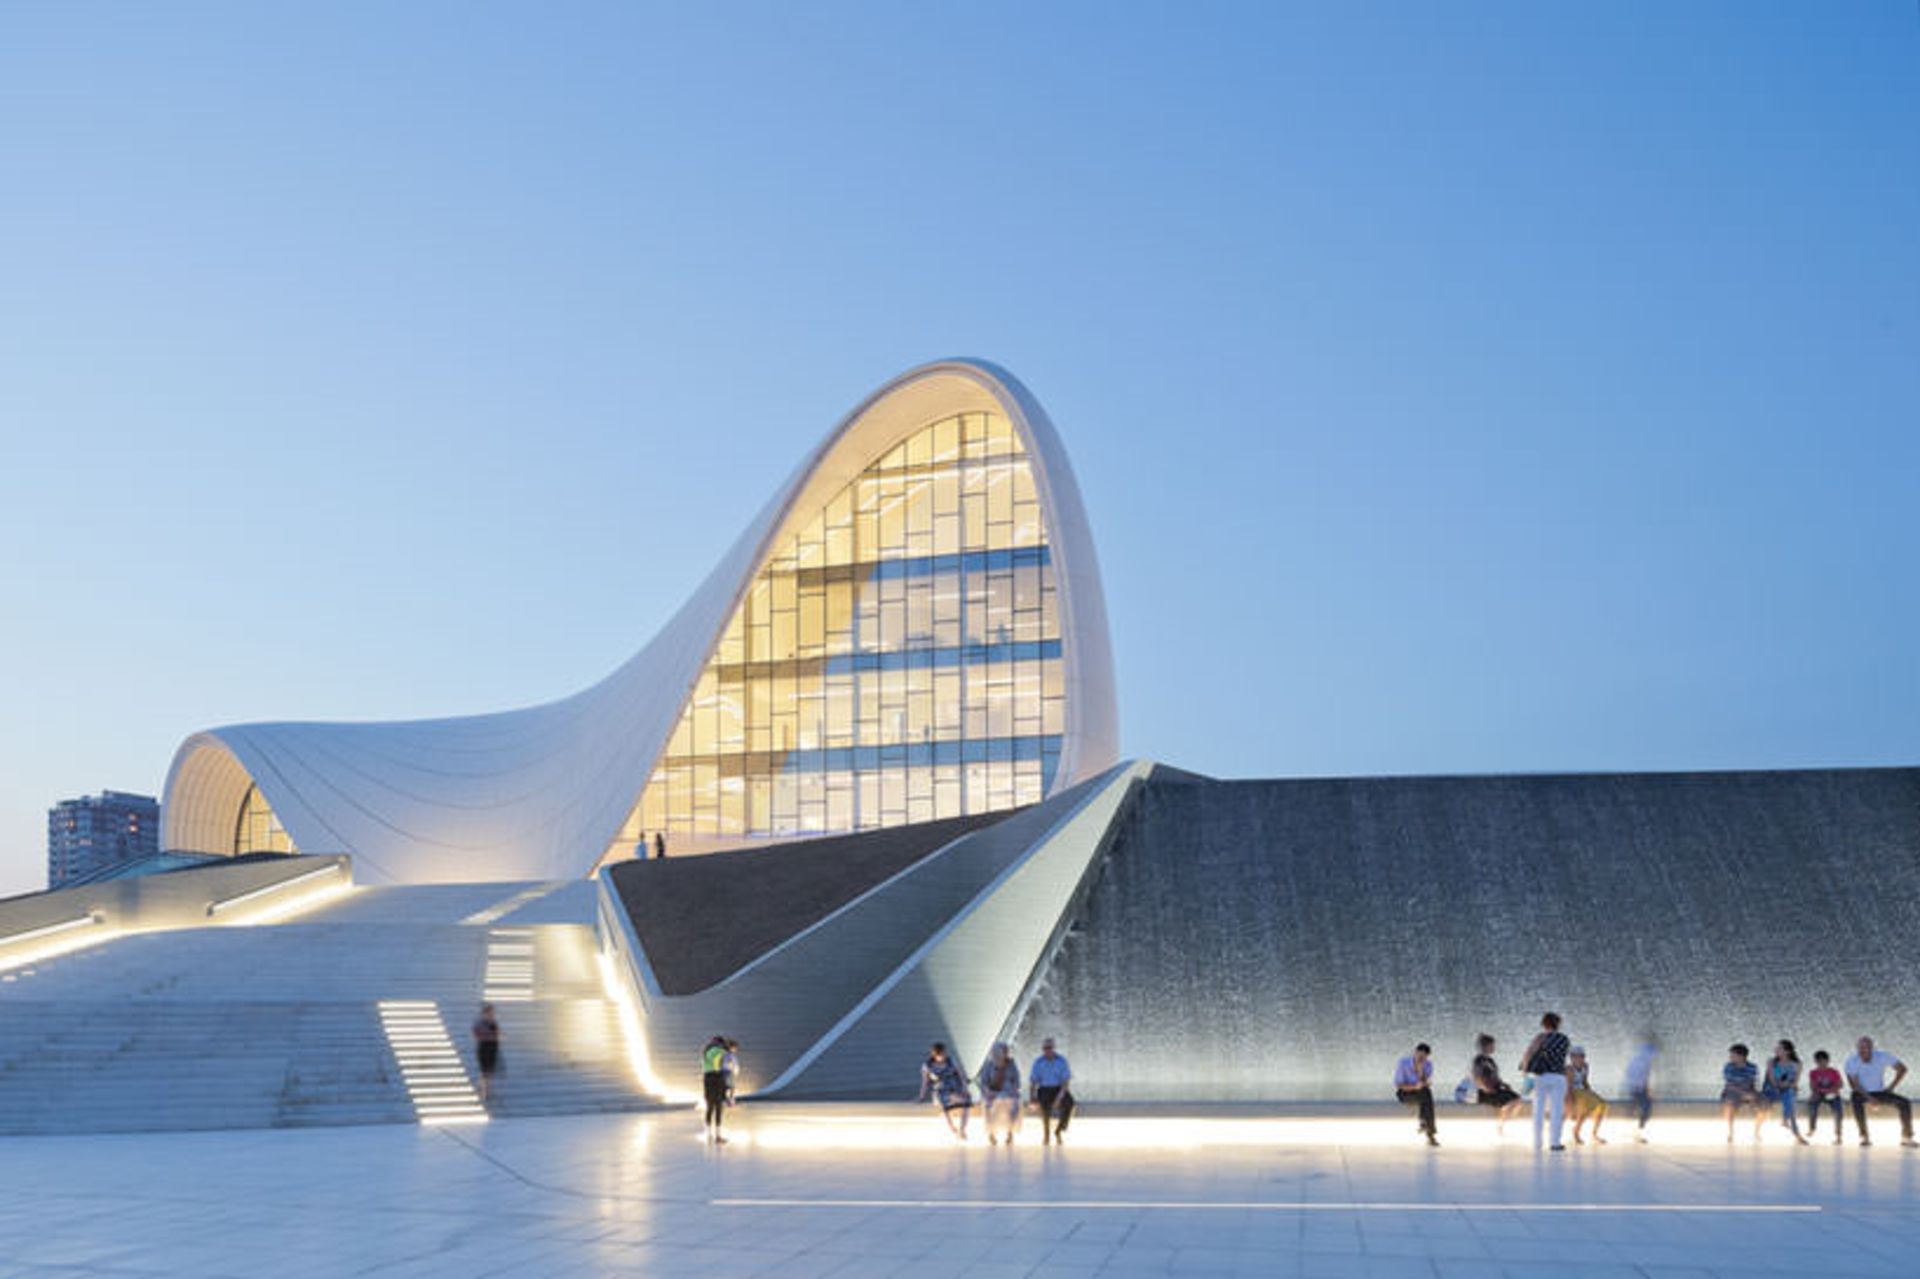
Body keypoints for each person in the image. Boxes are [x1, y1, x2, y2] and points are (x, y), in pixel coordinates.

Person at [1844, 1036, 1917, 1148]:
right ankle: (1864, 1136)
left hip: (1880, 1092)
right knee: (1855, 1098)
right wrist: (1869, 1099)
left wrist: (1891, 1087)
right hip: (1862, 1093)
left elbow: (1902, 1069)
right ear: (1857, 1049)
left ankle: (1907, 1137)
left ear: (1872, 1048)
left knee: (1905, 1103)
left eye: (1867, 1048)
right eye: (1861, 1048)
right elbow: (1854, 1085)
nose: (1864, 1051)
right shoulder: (1852, 1061)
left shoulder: (1882, 1056)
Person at [1518, 1012, 1571, 1152]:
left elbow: (1528, 1054)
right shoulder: (1564, 1039)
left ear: (1544, 1024)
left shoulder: (1540, 1038)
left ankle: (1537, 1143)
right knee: (1556, 1110)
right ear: (1558, 1024)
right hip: (1558, 1077)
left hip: (1540, 1077)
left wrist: (1524, 1073)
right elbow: (1563, 1058)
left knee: (1538, 1111)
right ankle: (1555, 1143)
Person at [1471, 1034, 1528, 1135]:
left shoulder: (1490, 1060)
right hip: (1486, 1092)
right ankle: (1501, 1126)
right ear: (1486, 1046)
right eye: (1492, 1046)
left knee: (1517, 1098)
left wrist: (1504, 1084)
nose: (1494, 1048)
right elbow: (1476, 1076)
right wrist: (1485, 1087)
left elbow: (1495, 1076)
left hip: (1496, 1089)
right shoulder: (1479, 1060)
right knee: (1512, 1101)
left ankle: (1503, 1124)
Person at [918, 1041, 973, 1140]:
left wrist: (965, 1088)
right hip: (941, 1089)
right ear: (935, 1055)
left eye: (944, 1053)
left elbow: (961, 1075)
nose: (943, 1056)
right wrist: (921, 1096)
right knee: (944, 1106)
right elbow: (925, 1082)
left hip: (955, 1086)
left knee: (966, 1102)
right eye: (941, 1054)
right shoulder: (928, 1065)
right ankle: (953, 1129)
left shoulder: (951, 1061)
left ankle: (962, 1129)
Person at [1029, 1037, 1075, 1145]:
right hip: (1044, 1089)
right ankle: (1046, 1134)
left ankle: (1059, 1130)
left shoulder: (1061, 1061)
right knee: (1044, 1106)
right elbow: (1033, 1082)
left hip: (1058, 1088)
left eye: (1049, 1048)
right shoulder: (1038, 1062)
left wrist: (1059, 1098)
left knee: (1069, 1103)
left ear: (1054, 1048)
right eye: (1045, 1048)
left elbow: (1066, 1082)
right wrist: (1032, 1097)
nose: (1047, 1050)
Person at [1394, 1043, 1439, 1147]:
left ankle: (1425, 1126)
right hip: (1405, 1092)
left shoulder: (1428, 1065)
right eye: (1419, 1055)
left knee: (1426, 1093)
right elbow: (1399, 1084)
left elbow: (1424, 1082)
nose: (1420, 1058)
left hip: (1420, 1093)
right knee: (1426, 1096)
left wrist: (1420, 1070)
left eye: (1423, 1057)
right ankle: (1429, 1133)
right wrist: (1414, 1087)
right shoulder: (1403, 1063)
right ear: (1415, 1052)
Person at [977, 1042, 1022, 1146]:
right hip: (993, 1093)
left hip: (1009, 1092)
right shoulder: (988, 1065)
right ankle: (991, 1133)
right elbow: (983, 1083)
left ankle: (1010, 1132)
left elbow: (1017, 1081)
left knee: (1014, 1103)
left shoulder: (1011, 1064)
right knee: (989, 1105)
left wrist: (1014, 1089)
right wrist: (988, 1091)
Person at [1766, 1040, 1809, 1146]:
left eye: (1779, 1048)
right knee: (1790, 1099)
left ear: (1787, 1051)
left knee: (1789, 1098)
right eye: (1776, 1048)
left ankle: (1787, 1122)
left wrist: (1788, 1085)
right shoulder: (1772, 1062)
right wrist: (1784, 1085)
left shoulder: (1797, 1064)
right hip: (1773, 1090)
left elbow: (1795, 1082)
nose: (1776, 1050)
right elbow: (1773, 1081)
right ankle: (1789, 1124)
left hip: (1788, 1090)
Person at [1721, 1043, 1765, 1143]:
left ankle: (1756, 1132)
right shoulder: (1728, 1066)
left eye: (1733, 1055)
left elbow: (1752, 1081)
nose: (1730, 1057)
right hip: (1732, 1091)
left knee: (1764, 1104)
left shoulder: (1752, 1067)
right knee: (1730, 1105)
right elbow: (1730, 1084)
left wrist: (1751, 1094)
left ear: (1741, 1057)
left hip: (1748, 1090)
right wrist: (1743, 1093)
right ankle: (1731, 1133)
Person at [1567, 1046, 1608, 1146]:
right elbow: (1568, 1087)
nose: (1579, 1059)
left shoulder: (1585, 1066)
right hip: (1575, 1092)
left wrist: (1591, 1093)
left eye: (1581, 1056)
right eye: (1576, 1056)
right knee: (1587, 1106)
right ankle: (1576, 1132)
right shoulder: (1569, 1069)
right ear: (1571, 1058)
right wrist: (1570, 1104)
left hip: (1583, 1091)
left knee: (1603, 1104)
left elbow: (1585, 1081)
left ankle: (1594, 1133)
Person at [702, 1034, 738, 1144]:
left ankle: (708, 1134)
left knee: (709, 1106)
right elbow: (729, 1063)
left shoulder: (706, 1051)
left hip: (707, 1078)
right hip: (717, 1078)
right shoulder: (722, 1052)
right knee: (718, 1106)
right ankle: (718, 1136)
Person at [1623, 1035, 1658, 1143]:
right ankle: (1638, 1131)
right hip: (1637, 1090)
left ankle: (1637, 1130)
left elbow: (1630, 1076)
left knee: (1640, 1107)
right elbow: (1644, 1079)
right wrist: (1647, 1092)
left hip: (1633, 1088)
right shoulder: (1645, 1062)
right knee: (1646, 1107)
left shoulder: (1636, 1059)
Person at [1806, 1050, 1845, 1145]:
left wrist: (1831, 1091)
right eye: (1818, 1062)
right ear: (1815, 1062)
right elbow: (1812, 1086)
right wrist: (1818, 1093)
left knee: (1838, 1112)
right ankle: (1812, 1128)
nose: (1821, 1064)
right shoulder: (1813, 1073)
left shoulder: (1834, 1072)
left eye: (1823, 1062)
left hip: (1832, 1093)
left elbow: (1840, 1084)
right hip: (1819, 1094)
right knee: (1812, 1106)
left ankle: (1838, 1135)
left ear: (1827, 1061)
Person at [471, 1003, 501, 1104]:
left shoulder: (494, 1023)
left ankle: (482, 1087)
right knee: (485, 1071)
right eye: (489, 1012)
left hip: (493, 1049)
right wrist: (488, 1036)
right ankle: (485, 1092)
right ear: (484, 1013)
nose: (491, 1014)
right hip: (483, 1048)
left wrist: (495, 1035)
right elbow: (476, 1035)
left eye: (492, 1012)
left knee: (489, 1072)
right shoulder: (479, 1023)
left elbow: (498, 1034)